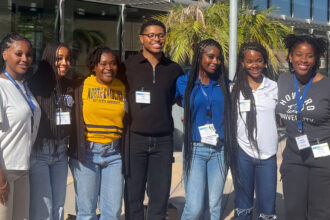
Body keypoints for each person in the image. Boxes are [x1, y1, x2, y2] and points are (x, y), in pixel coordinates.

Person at [123, 19, 183, 220]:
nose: (157, 39)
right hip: (135, 139)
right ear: (141, 39)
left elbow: (180, 98)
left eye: (161, 35)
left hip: (163, 141)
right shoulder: (128, 67)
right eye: (151, 35)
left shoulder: (174, 69)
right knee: (133, 196)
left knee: (159, 197)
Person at [175, 39, 237, 220]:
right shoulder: (184, 82)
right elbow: (178, 100)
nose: (215, 61)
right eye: (210, 57)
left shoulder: (225, 83)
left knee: (214, 207)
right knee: (194, 208)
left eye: (218, 58)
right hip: (195, 149)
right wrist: (190, 113)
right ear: (199, 57)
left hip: (220, 149)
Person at [276, 34, 330, 220]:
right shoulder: (282, 80)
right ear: (290, 56)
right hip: (293, 155)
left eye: (309, 56)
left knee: (320, 213)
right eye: (299, 54)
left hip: (322, 157)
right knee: (293, 211)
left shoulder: (326, 86)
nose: (304, 60)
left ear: (316, 59)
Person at [69, 46, 125, 220]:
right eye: (103, 64)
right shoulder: (81, 85)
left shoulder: (123, 86)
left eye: (113, 64)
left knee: (113, 212)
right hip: (87, 154)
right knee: (86, 212)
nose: (109, 67)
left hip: (114, 155)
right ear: (94, 66)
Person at [231, 42, 278, 220]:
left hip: (268, 154)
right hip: (243, 153)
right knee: (243, 205)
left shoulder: (274, 87)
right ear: (242, 63)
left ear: (264, 62)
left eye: (259, 60)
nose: (254, 65)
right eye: (249, 61)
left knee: (267, 206)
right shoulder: (233, 88)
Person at [28, 42, 72, 220]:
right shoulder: (32, 86)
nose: (65, 62)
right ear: (49, 59)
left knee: (59, 206)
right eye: (59, 58)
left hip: (61, 152)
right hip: (39, 153)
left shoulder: (70, 86)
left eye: (68, 59)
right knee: (43, 208)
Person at [0, 33, 41, 219]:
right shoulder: (1, 87)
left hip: (23, 168)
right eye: (19, 54)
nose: (25, 59)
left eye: (29, 54)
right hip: (4, 170)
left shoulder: (24, 87)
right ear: (5, 54)